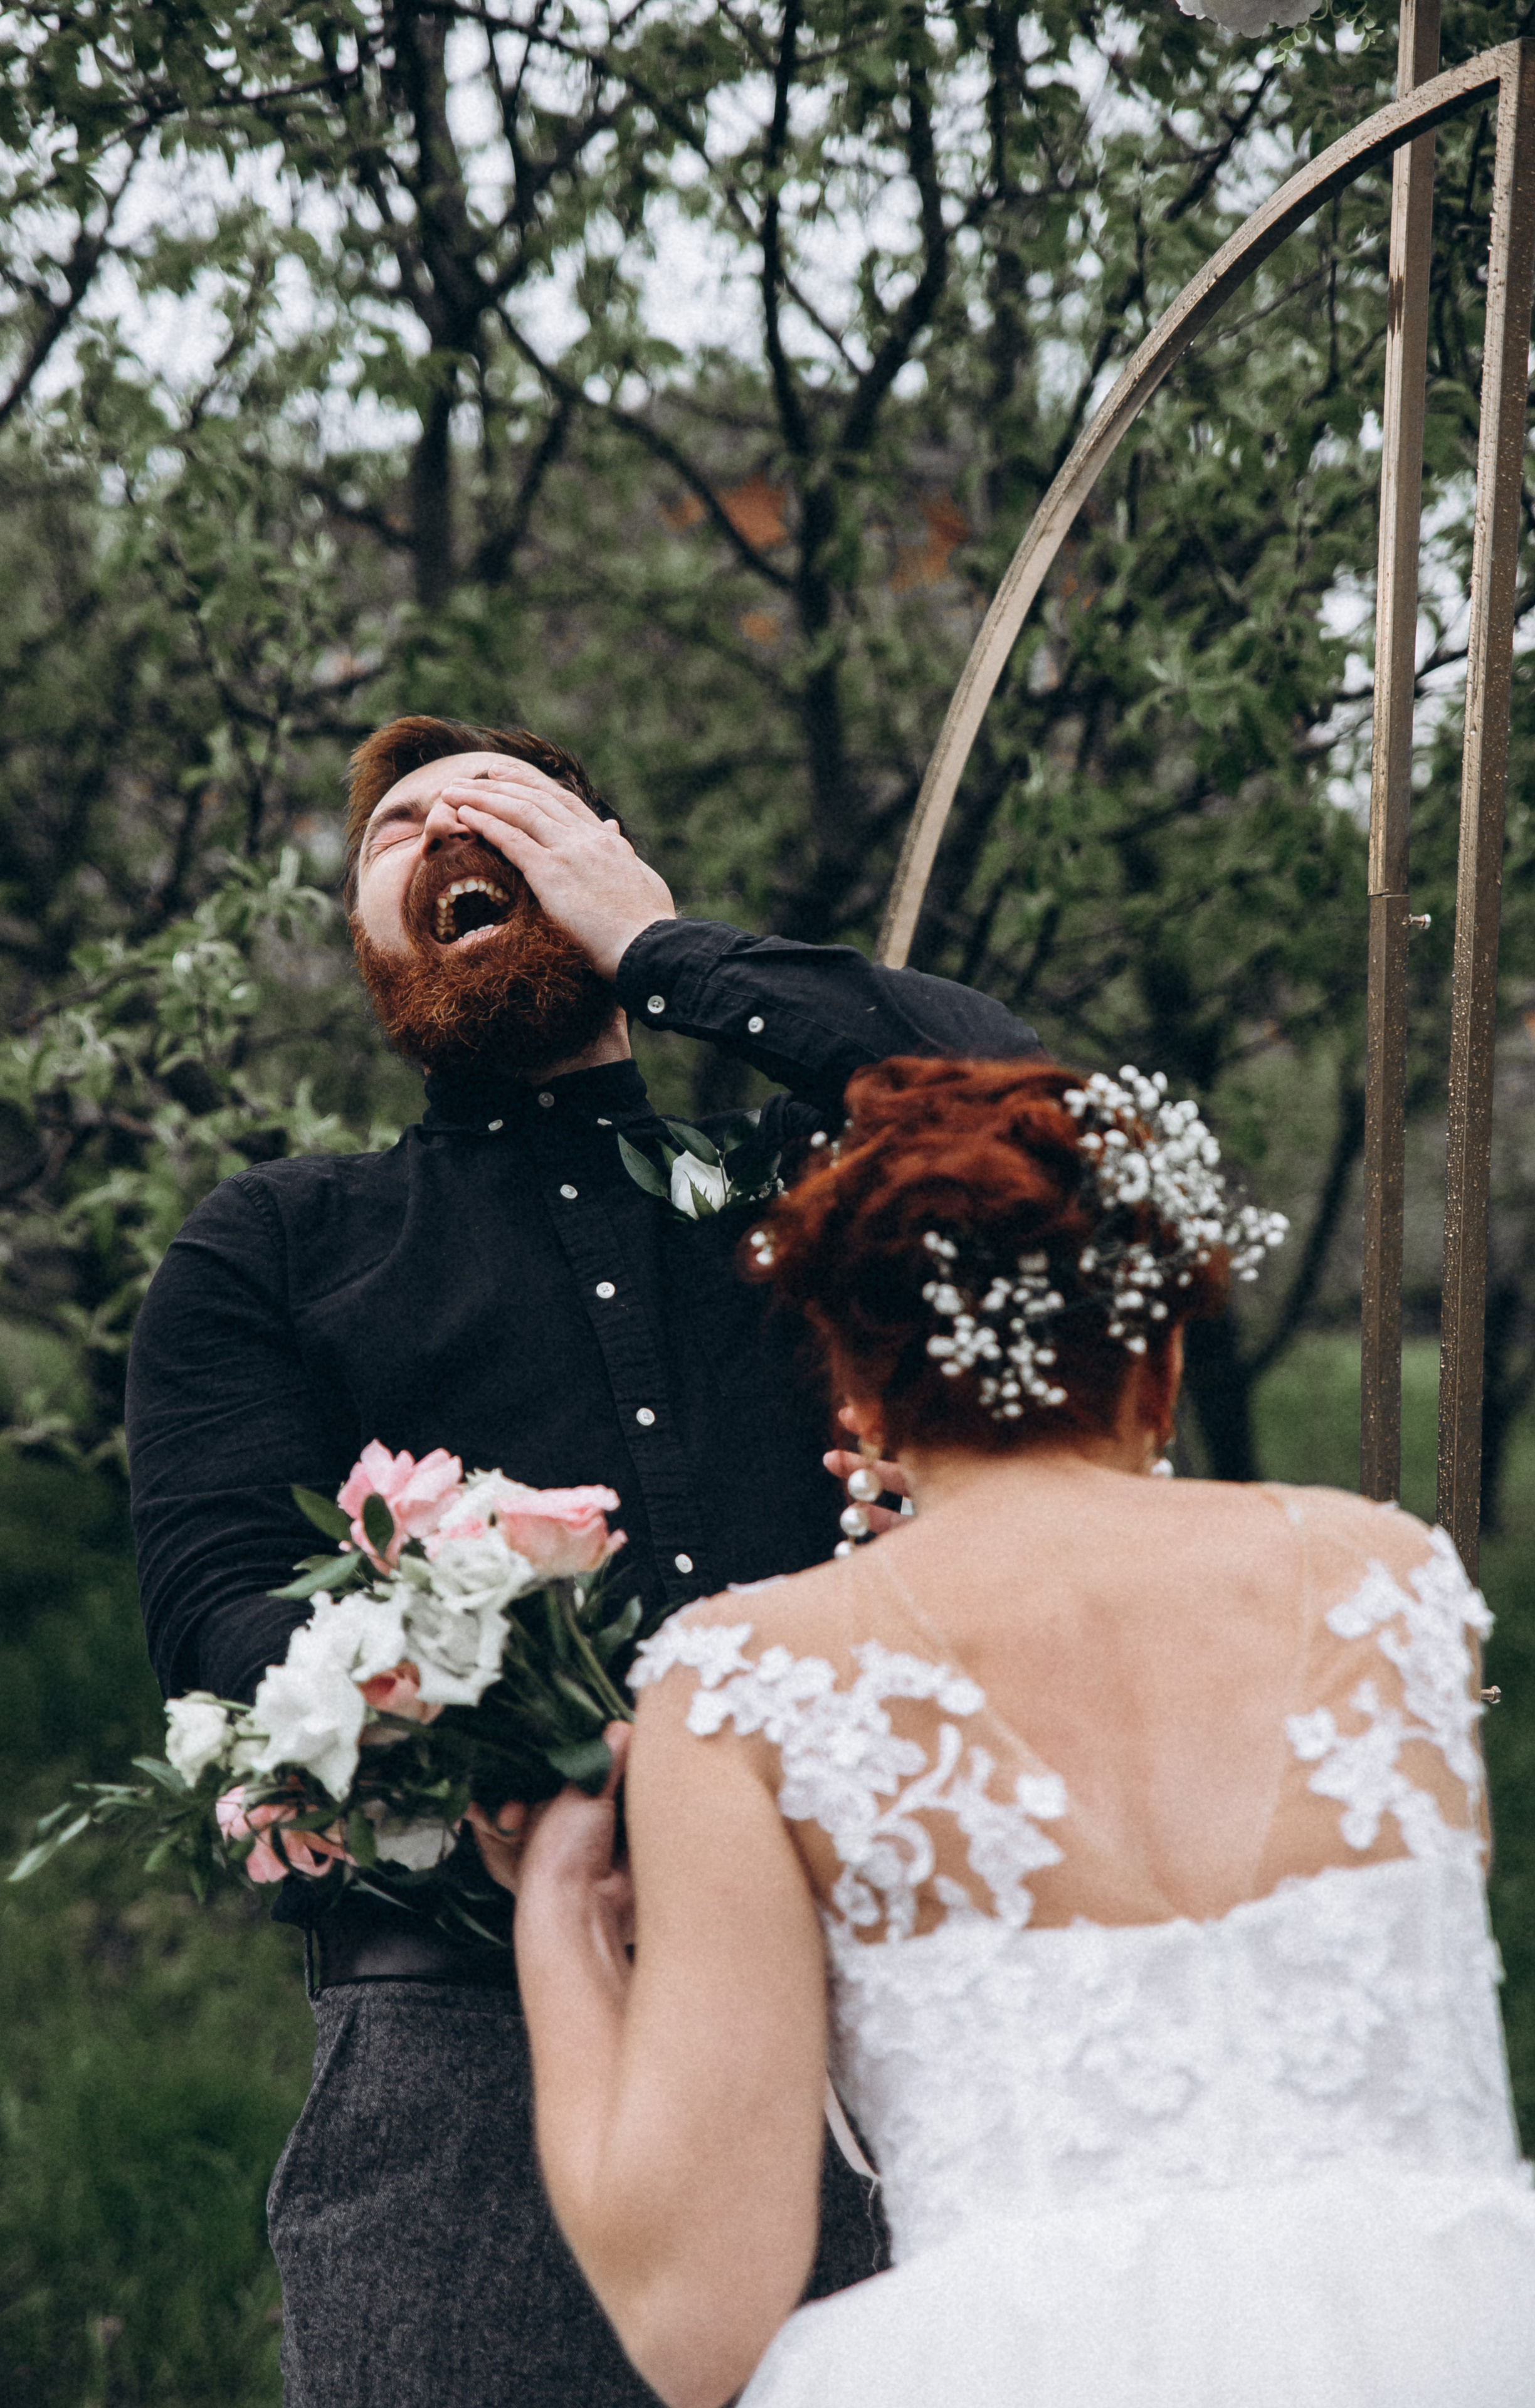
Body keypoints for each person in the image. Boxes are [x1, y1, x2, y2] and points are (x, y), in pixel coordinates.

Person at [123, 717, 1043, 2408]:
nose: (448, 828)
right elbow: (219, 1611)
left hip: (892, 2050)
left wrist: (667, 950)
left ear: (601, 855)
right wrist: (483, 1741)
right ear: (369, 939)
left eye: (510, 806)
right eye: (401, 830)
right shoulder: (272, 1245)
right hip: (468, 2074)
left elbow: (1027, 1119)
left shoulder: (811, 1180)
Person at [480, 1054, 1535, 2408]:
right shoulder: (1387, 1581)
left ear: (854, 1389)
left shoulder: (752, 1678)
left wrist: (558, 1913)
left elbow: (696, 2323)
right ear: (1155, 1354)